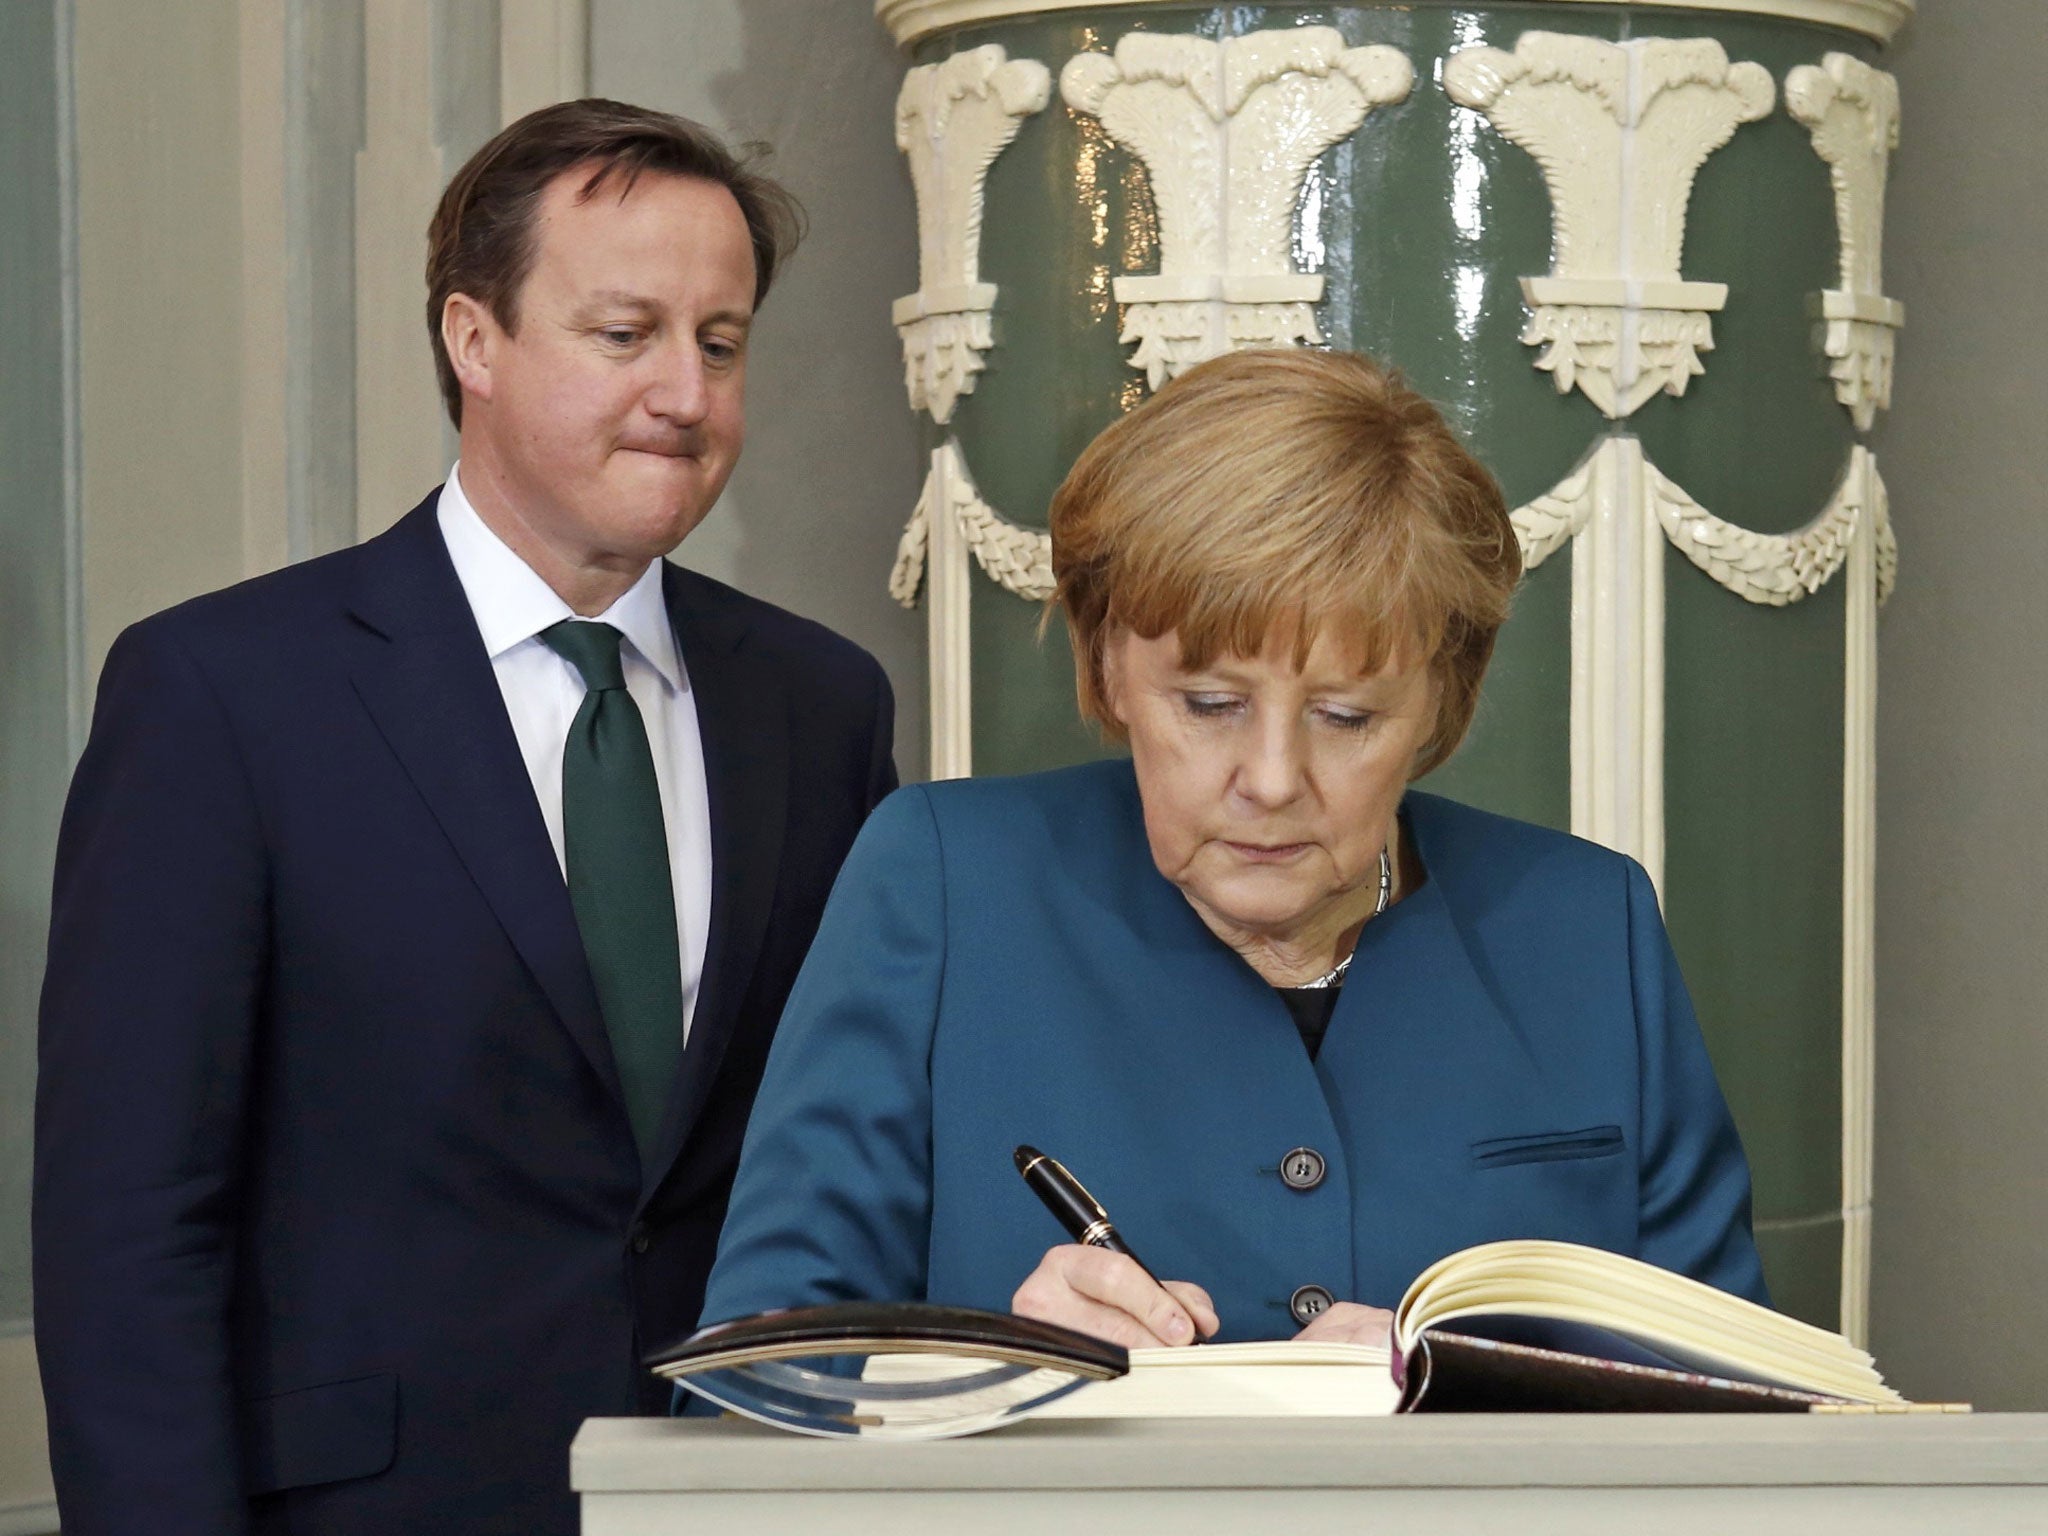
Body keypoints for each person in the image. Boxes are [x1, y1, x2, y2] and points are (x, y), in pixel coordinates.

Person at [33, 100, 895, 1534]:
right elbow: (128, 1229)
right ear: (473, 340)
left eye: (722, 342)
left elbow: (854, 1156)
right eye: (626, 335)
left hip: (746, 1498)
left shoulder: (821, 704)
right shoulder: (223, 694)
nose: (687, 392)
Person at [699, 347, 1766, 1355]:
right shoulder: (939, 885)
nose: (1268, 778)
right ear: (1106, 667)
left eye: (1345, 717)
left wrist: (1484, 1396)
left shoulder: (1587, 925)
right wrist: (998, 1373)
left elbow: (1737, 1412)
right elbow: (750, 1393)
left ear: (1443, 701)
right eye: (1208, 704)